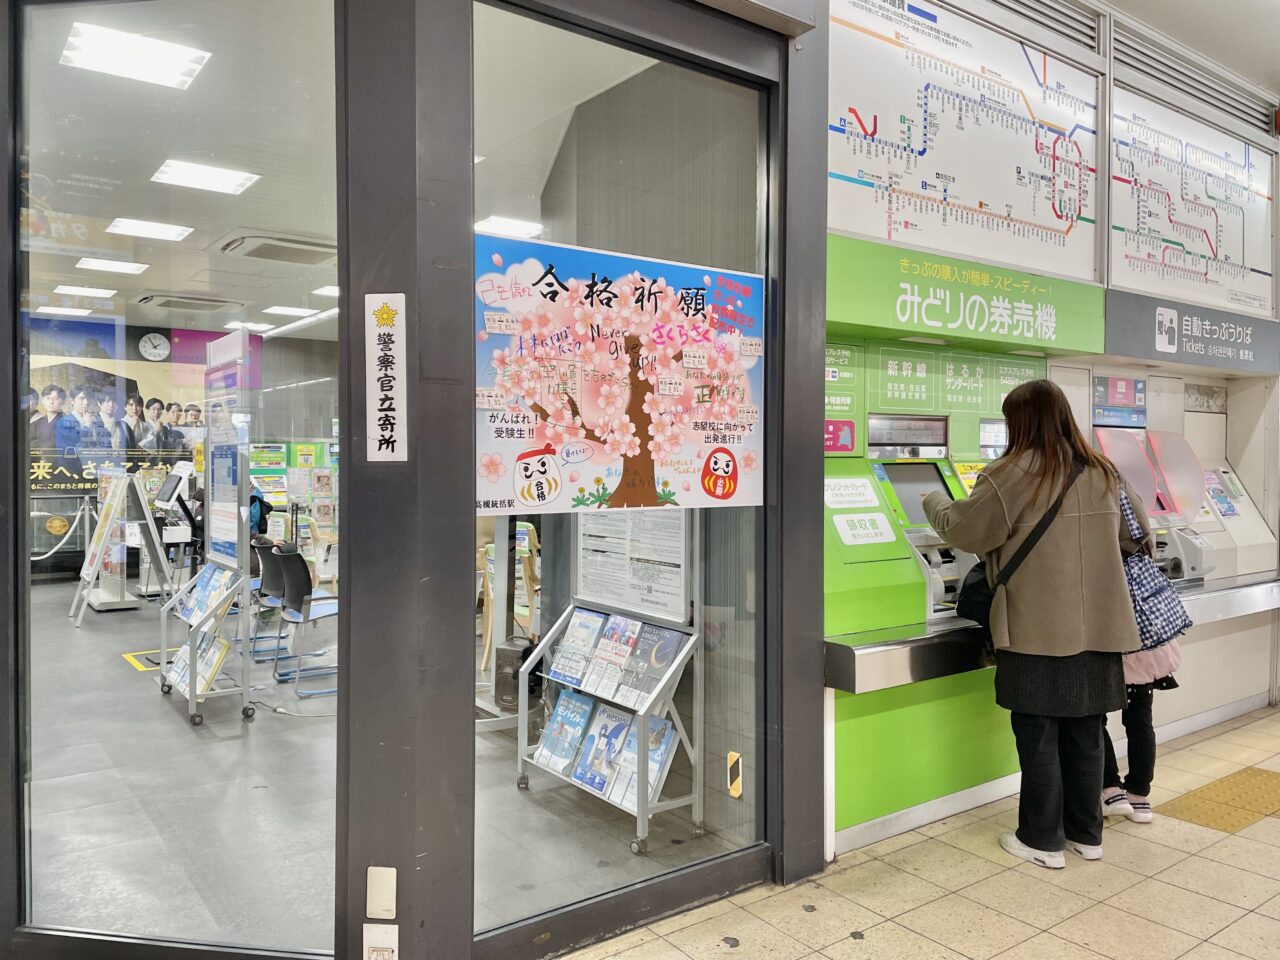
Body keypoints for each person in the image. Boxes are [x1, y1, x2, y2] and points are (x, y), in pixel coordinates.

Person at [922, 379, 1149, 869]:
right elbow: (1138, 534)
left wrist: (930, 501)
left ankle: (1041, 840)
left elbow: (963, 530)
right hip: (1100, 627)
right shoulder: (1103, 471)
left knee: (1038, 731)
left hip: (1035, 626)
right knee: (1087, 731)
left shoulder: (1008, 474)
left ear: (1018, 423)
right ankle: (1087, 836)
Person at [1102, 631, 1181, 824]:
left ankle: (1110, 789)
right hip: (1147, 657)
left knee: (1094, 722)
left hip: (1110, 656)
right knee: (1141, 725)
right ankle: (1138, 795)